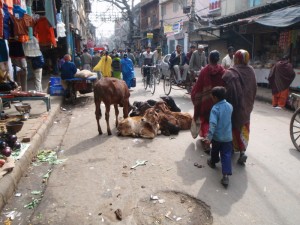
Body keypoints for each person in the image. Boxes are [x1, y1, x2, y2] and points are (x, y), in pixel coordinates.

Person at [222, 49, 257, 165]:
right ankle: (242, 152)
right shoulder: (251, 70)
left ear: (236, 59)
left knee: (234, 127)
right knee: (244, 127)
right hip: (247, 106)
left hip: (235, 106)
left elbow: (225, 85)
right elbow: (254, 88)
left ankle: (233, 148)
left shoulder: (231, 72)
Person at [191, 50, 225, 153]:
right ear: (218, 59)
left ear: (208, 59)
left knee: (206, 120)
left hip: (207, 103)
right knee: (218, 121)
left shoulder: (204, 71)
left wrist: (194, 95)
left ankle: (207, 141)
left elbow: (198, 88)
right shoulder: (223, 71)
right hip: (220, 102)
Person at [205, 86, 233, 187]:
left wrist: (209, 137)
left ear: (215, 97)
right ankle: (225, 176)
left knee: (215, 151)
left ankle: (213, 161)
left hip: (217, 137)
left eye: (212, 96)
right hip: (228, 137)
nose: (212, 98)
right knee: (226, 155)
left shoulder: (215, 108)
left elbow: (213, 124)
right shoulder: (230, 106)